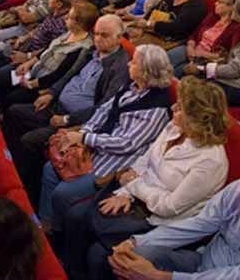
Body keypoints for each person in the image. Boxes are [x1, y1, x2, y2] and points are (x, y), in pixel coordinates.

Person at [69, 77, 231, 280]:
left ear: (197, 118)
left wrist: (133, 186)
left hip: (162, 222)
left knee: (98, 256)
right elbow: (144, 160)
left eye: (180, 107)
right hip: (138, 197)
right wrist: (125, 194)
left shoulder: (210, 161)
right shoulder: (174, 127)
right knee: (77, 216)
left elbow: (168, 207)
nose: (173, 107)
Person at [39, 45, 173, 250]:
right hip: (95, 147)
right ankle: (46, 224)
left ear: (146, 70)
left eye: (134, 62)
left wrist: (86, 138)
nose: (129, 63)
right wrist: (82, 136)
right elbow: (103, 111)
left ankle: (57, 240)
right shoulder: (130, 87)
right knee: (49, 169)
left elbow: (127, 143)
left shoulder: (156, 108)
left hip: (112, 165)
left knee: (63, 193)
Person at [107, 153, 240, 280]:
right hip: (202, 262)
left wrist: (159, 277)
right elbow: (199, 224)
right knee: (129, 256)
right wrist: (135, 241)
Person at [1, 14, 131, 205]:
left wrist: (67, 120)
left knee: (29, 140)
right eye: (96, 34)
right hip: (56, 106)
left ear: (119, 38)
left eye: (105, 35)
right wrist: (51, 94)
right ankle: (11, 168)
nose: (98, 39)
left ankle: (28, 194)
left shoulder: (120, 67)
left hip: (77, 122)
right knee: (14, 112)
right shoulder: (90, 52)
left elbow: (104, 107)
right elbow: (68, 75)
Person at [0, 0, 98, 107]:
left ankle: (3, 116)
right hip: (35, 70)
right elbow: (47, 50)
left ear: (78, 24)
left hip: (43, 83)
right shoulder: (69, 32)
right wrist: (27, 64)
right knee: (2, 75)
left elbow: (59, 75)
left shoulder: (82, 48)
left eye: (69, 16)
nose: (65, 17)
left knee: (11, 97)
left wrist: (31, 84)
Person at [166, 0, 240, 77]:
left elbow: (228, 58)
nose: (215, 3)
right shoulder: (213, 16)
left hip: (206, 61)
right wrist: (190, 46)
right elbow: (195, 34)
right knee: (163, 61)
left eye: (220, 2)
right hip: (191, 50)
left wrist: (203, 54)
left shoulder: (238, 29)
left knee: (176, 72)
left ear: (232, 7)